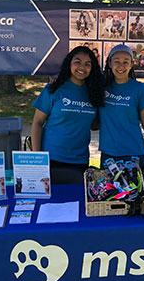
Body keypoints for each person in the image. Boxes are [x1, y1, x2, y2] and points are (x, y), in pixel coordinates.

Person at [31, 46, 104, 184]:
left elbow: (94, 125)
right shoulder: (54, 88)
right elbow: (37, 123)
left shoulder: (95, 92)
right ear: (69, 63)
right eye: (77, 62)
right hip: (51, 159)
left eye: (88, 64)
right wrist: (37, 157)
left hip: (80, 161)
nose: (82, 67)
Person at [99, 44, 144, 168]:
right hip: (108, 154)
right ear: (110, 63)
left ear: (132, 64)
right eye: (116, 61)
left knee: (135, 188)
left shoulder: (140, 89)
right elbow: (79, 80)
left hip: (134, 153)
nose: (121, 66)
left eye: (125, 62)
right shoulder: (100, 87)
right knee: (110, 188)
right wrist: (58, 78)